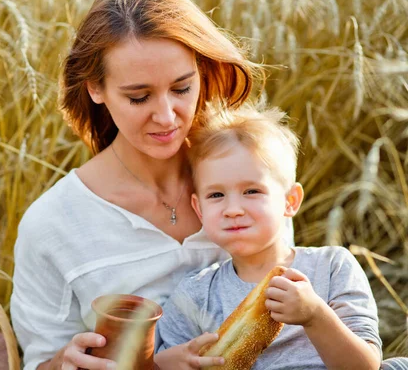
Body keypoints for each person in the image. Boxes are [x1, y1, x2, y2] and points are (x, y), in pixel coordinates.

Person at [9, 0, 277, 370]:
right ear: (95, 89)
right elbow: (38, 363)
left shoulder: (249, 173)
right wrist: (65, 363)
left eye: (182, 88)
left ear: (201, 71)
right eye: (139, 96)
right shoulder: (52, 225)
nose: (168, 117)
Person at [156, 105, 383, 369]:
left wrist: (315, 316)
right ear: (199, 209)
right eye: (216, 195)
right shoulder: (194, 294)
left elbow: (366, 366)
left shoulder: (332, 267)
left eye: (252, 191)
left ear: (290, 201)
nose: (233, 210)